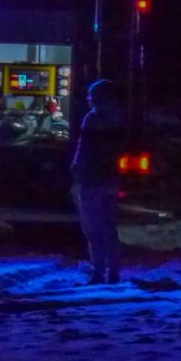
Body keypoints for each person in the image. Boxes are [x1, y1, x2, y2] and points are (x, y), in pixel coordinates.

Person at [71, 79, 127, 283]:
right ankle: (113, 271)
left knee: (92, 228)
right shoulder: (120, 118)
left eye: (90, 96)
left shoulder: (92, 119)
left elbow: (83, 147)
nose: (88, 99)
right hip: (111, 178)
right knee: (109, 226)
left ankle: (98, 271)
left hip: (91, 178)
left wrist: (76, 168)